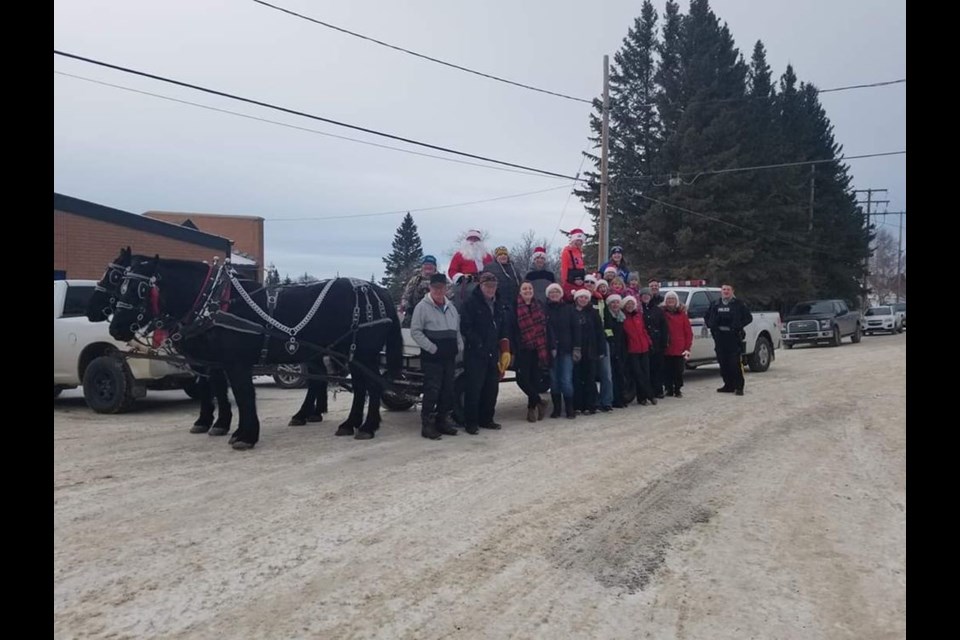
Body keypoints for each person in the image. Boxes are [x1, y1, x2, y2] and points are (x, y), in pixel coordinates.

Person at [409, 273, 463, 439]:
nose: (439, 291)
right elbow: (415, 332)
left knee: (447, 390)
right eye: (436, 288)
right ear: (430, 288)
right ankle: (427, 425)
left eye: (442, 288)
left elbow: (457, 330)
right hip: (432, 358)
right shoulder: (422, 307)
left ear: (446, 289)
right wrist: (431, 348)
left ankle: (442, 421)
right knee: (432, 390)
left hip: (449, 357)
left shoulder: (451, 307)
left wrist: (459, 345)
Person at [460, 272, 512, 433]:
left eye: (493, 286)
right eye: (487, 286)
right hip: (475, 352)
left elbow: (503, 327)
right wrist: (479, 344)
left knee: (492, 388)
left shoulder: (499, 303)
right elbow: (466, 328)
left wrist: (505, 349)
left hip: (492, 351)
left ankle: (487, 419)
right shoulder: (470, 303)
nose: (491, 289)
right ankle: (471, 423)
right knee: (474, 389)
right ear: (480, 286)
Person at [513, 281, 552, 422]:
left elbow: (544, 326)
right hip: (523, 347)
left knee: (534, 379)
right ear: (520, 292)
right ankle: (539, 400)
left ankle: (531, 409)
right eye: (524, 289)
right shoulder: (515, 306)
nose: (527, 290)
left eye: (530, 288)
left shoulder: (539, 305)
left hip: (538, 347)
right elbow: (513, 327)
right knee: (521, 378)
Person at [705, 283, 753, 396]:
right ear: (721, 291)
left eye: (728, 289)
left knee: (734, 364)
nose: (725, 291)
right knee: (723, 363)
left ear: (732, 291)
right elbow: (707, 317)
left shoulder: (739, 304)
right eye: (724, 289)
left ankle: (739, 387)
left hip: (733, 337)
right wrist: (711, 325)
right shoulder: (715, 304)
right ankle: (728, 385)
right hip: (720, 338)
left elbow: (748, 318)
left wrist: (738, 326)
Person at [545, 282, 579, 419]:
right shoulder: (544, 309)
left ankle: (570, 408)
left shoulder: (569, 309)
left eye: (556, 292)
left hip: (567, 349)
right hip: (551, 350)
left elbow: (576, 329)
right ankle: (557, 408)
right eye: (552, 292)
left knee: (566, 379)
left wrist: (577, 347)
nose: (554, 294)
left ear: (561, 294)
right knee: (554, 380)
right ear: (548, 295)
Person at [572, 289, 606, 414]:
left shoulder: (593, 313)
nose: (583, 300)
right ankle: (578, 405)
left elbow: (599, 332)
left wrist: (601, 350)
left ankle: (590, 405)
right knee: (577, 378)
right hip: (576, 350)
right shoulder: (572, 312)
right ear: (576, 299)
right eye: (580, 297)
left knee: (590, 379)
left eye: (585, 298)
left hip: (591, 350)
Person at [586, 276, 614, 411]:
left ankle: (606, 401)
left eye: (592, 282)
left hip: (602, 340)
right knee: (590, 375)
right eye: (587, 282)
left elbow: (608, 321)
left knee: (606, 374)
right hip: (587, 342)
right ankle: (594, 401)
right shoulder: (578, 299)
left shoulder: (600, 300)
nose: (589, 284)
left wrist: (608, 338)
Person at [622, 295, 657, 406]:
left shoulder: (638, 316)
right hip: (632, 350)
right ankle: (649, 395)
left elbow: (643, 330)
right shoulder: (622, 317)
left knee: (646, 373)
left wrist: (649, 342)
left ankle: (643, 397)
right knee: (638, 374)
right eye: (628, 304)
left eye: (632, 304)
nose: (630, 306)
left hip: (644, 348)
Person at [662, 290, 693, 398]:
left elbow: (688, 332)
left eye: (673, 299)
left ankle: (678, 389)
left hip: (680, 347)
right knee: (667, 369)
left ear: (676, 301)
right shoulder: (662, 313)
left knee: (678, 370)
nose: (670, 301)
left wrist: (687, 347)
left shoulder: (682, 314)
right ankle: (668, 388)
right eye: (668, 299)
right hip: (666, 346)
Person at [640, 288, 668, 399]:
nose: (646, 297)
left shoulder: (657, 310)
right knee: (647, 368)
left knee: (658, 367)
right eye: (643, 295)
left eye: (648, 295)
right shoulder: (639, 309)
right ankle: (648, 390)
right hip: (645, 342)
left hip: (657, 342)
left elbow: (664, 327)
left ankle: (658, 389)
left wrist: (665, 341)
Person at [603, 293, 629, 408]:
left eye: (617, 302)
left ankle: (622, 398)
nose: (615, 304)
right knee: (614, 374)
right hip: (613, 347)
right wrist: (612, 340)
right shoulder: (608, 316)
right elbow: (607, 330)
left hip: (622, 347)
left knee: (621, 373)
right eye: (612, 302)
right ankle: (616, 399)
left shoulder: (622, 316)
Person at [401, 255, 438, 328]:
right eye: (426, 264)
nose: (428, 267)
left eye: (431, 265)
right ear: (422, 266)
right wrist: (408, 308)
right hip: (415, 313)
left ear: (435, 267)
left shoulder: (442, 280)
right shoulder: (415, 280)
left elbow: (450, 298)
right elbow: (405, 297)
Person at [483, 246, 522, 313]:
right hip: (498, 303)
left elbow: (520, 283)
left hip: (514, 303)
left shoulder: (514, 269)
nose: (503, 256)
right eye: (500, 254)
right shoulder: (490, 268)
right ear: (496, 257)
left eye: (505, 254)